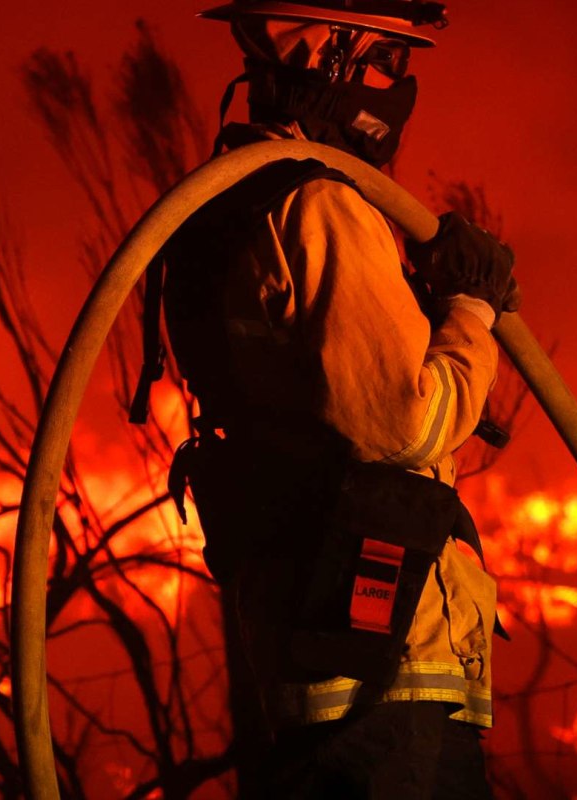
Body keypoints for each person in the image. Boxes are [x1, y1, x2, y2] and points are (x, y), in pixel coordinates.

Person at [145, 1, 520, 796]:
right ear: (326, 52)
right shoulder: (321, 204)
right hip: (386, 679)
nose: (397, 86)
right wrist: (470, 306)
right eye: (387, 59)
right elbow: (411, 426)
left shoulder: (232, 198)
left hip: (321, 650)